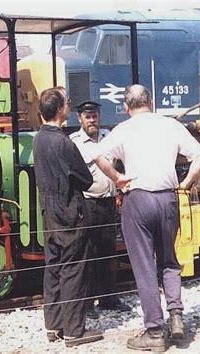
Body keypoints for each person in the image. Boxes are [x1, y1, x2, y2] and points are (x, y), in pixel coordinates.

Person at [93, 85, 200, 351]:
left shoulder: (123, 129)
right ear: (151, 102)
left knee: (144, 265)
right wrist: (186, 182)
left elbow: (97, 155)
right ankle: (176, 316)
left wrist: (118, 178)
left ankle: (154, 331)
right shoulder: (170, 126)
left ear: (126, 107)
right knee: (169, 258)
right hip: (168, 198)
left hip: (138, 199)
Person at [33, 87, 103, 347]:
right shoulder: (64, 142)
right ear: (61, 110)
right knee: (74, 269)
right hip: (69, 213)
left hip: (49, 212)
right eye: (67, 104)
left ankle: (54, 325)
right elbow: (85, 179)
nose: (69, 107)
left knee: (53, 267)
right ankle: (74, 330)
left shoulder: (39, 138)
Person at [69, 101, 130, 319]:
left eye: (95, 116)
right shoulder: (74, 142)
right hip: (87, 203)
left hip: (108, 202)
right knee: (87, 254)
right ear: (79, 119)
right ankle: (86, 303)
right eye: (88, 117)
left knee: (108, 251)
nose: (92, 120)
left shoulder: (109, 137)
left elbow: (120, 163)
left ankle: (109, 298)